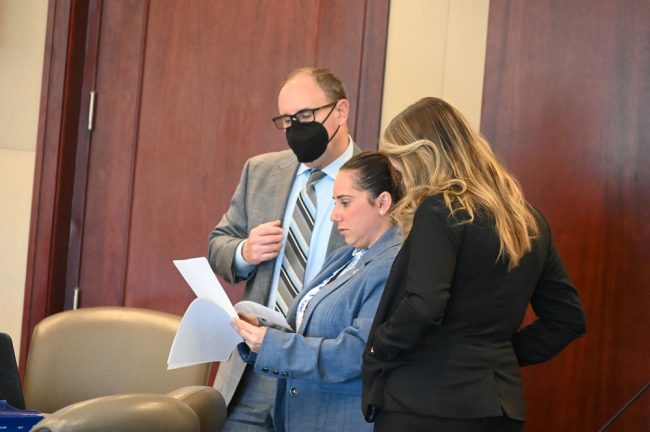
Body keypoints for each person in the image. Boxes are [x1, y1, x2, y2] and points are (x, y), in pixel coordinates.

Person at [362, 97, 587, 432]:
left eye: (400, 167)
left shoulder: (440, 210)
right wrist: (500, 354)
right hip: (499, 407)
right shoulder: (529, 220)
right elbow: (568, 319)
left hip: (424, 405)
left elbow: (424, 305)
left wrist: (380, 345)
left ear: (422, 158)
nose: (402, 180)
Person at [208, 67, 360, 431]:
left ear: (341, 111)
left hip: (322, 378)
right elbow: (218, 244)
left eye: (305, 117)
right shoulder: (260, 171)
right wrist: (245, 251)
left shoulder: (374, 182)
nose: (296, 129)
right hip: (253, 368)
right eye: (287, 121)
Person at [232, 152, 403, 432]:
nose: (335, 215)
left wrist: (271, 345)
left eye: (345, 203)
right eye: (335, 202)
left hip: (340, 420)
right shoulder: (346, 256)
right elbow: (304, 329)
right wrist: (258, 332)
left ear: (382, 203)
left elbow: (355, 353)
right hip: (300, 415)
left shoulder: (393, 264)